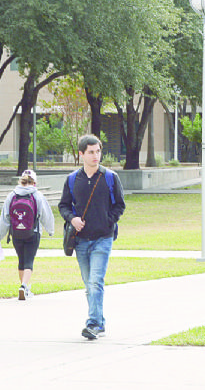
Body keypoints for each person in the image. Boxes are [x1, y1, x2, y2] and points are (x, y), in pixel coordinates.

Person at [58, 134, 125, 341]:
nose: (96, 156)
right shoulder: (72, 180)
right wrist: (73, 219)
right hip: (80, 240)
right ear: (81, 154)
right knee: (89, 284)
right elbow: (63, 206)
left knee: (96, 281)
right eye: (91, 152)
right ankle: (100, 322)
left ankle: (93, 323)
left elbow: (120, 205)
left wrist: (108, 220)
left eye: (98, 151)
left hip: (102, 238)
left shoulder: (110, 177)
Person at [0, 169, 55, 300]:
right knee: (29, 260)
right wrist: (50, 230)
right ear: (34, 182)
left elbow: (5, 217)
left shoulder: (12, 195)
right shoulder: (37, 195)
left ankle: (23, 287)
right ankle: (24, 286)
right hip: (33, 232)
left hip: (16, 233)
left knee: (21, 260)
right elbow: (46, 214)